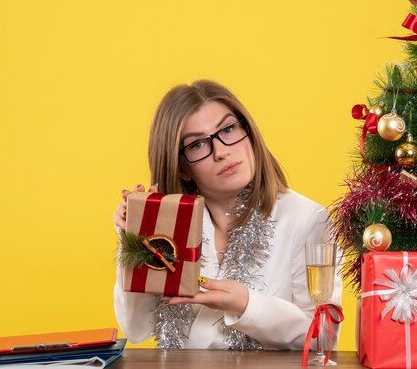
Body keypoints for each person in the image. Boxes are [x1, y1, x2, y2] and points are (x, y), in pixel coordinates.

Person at [113, 80, 342, 350]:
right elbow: (137, 329)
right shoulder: (169, 225)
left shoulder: (307, 218)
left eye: (229, 129)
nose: (222, 152)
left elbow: (323, 336)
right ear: (182, 168)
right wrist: (134, 242)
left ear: (249, 131)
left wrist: (246, 304)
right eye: (197, 145)